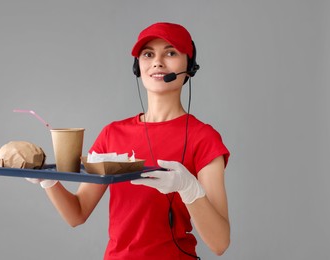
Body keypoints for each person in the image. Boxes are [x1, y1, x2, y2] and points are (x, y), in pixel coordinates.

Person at [29, 22, 230, 259]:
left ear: (190, 65)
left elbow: (220, 243)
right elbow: (77, 214)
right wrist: (47, 181)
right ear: (138, 67)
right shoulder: (112, 134)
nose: (157, 62)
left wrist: (189, 189)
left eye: (171, 52)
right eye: (148, 54)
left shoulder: (204, 137)